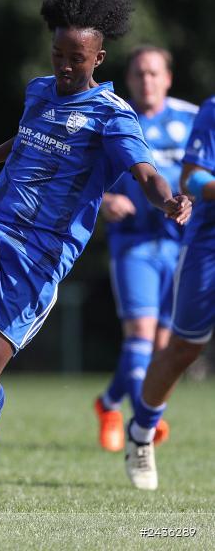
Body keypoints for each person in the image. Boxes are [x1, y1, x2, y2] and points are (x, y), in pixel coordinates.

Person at [0, 0, 191, 488]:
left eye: (76, 58)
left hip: (40, 256)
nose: (64, 66)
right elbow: (28, 136)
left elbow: (145, 174)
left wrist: (168, 199)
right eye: (58, 54)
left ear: (99, 58)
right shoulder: (39, 89)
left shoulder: (113, 116)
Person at [93, 46, 198, 452]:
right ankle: (144, 424)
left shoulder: (191, 119)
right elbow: (82, 175)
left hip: (180, 244)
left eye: (154, 73)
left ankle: (107, 404)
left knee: (162, 347)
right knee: (139, 333)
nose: (146, 81)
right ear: (130, 78)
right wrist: (105, 201)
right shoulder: (115, 119)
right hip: (133, 243)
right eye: (139, 74)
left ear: (168, 78)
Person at [123, 95, 215, 490]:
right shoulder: (212, 110)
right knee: (183, 348)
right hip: (208, 244)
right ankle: (141, 432)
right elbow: (190, 177)